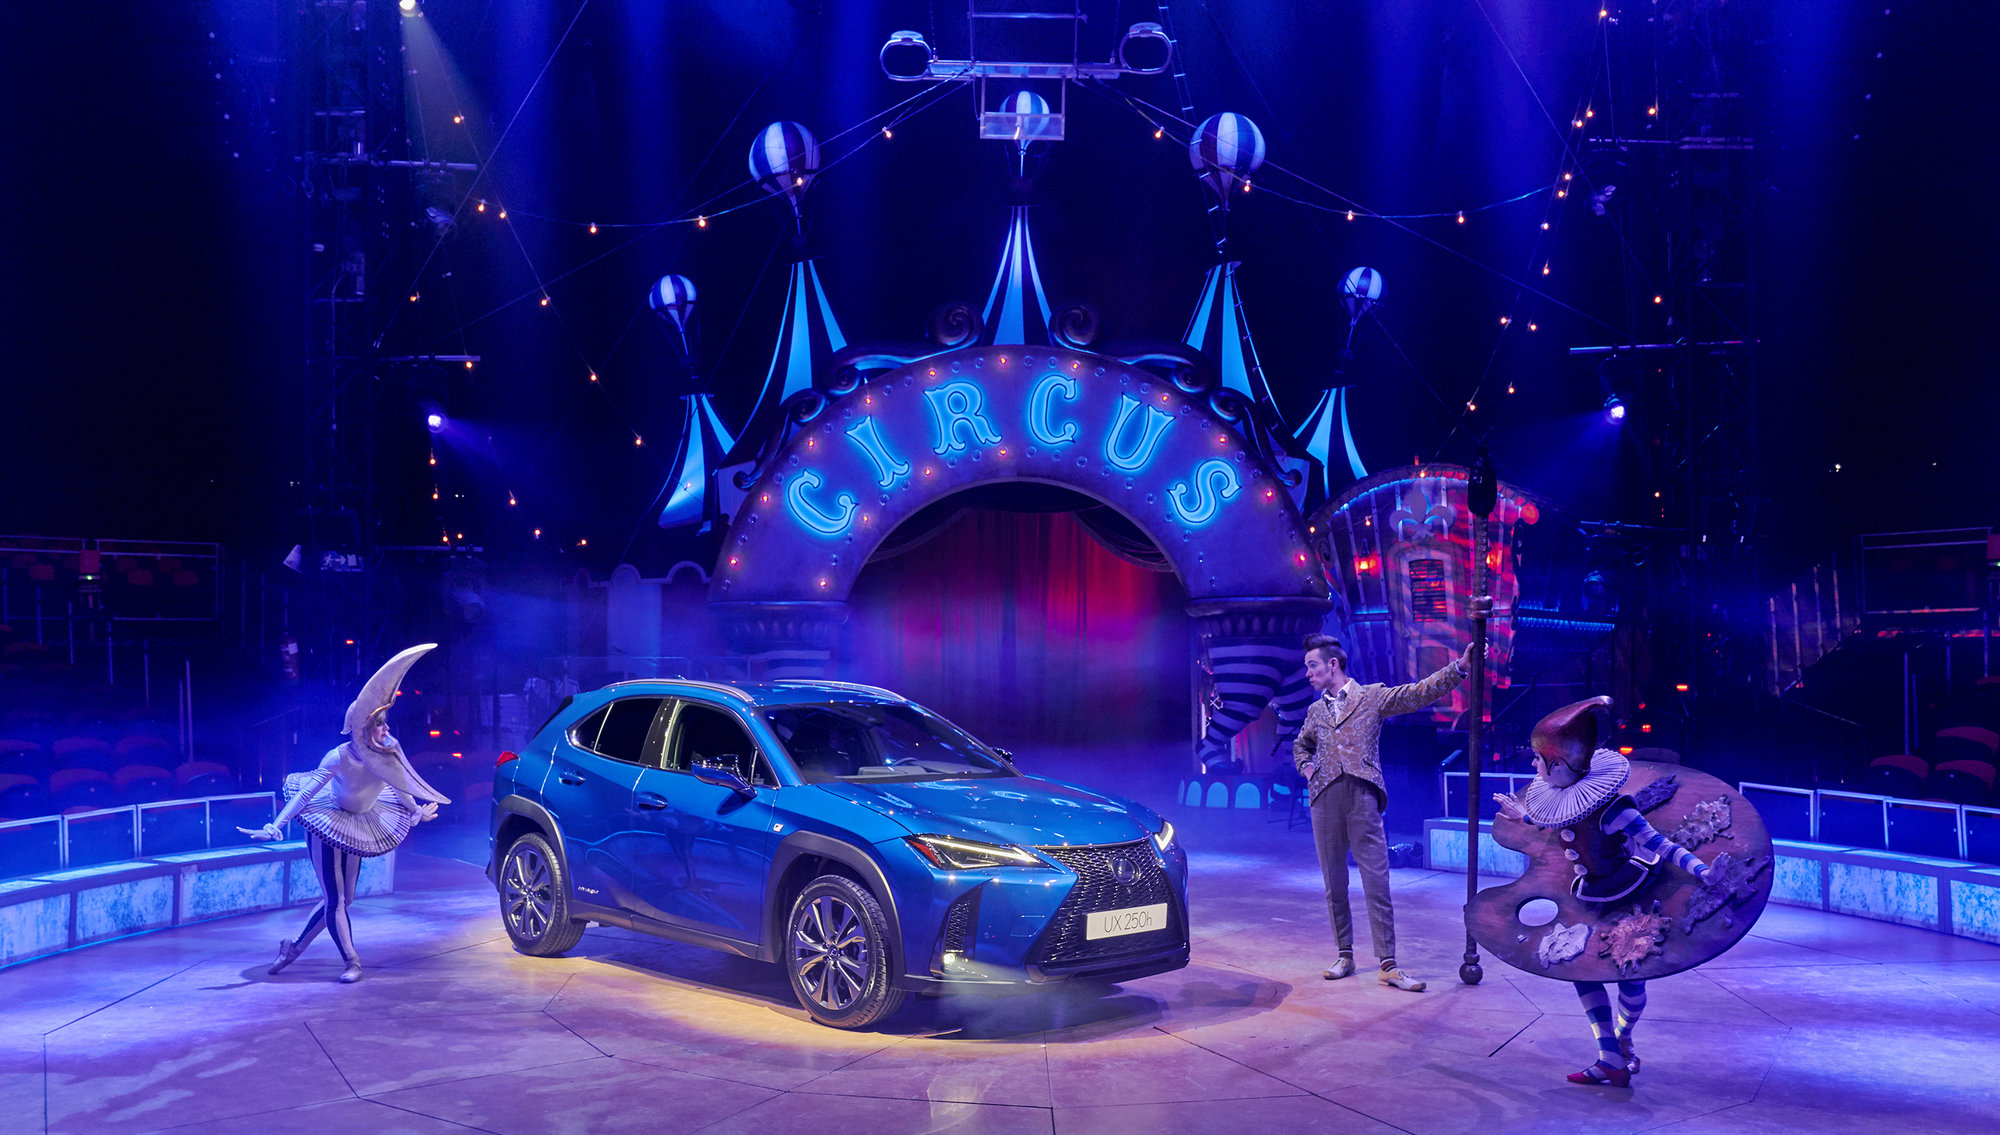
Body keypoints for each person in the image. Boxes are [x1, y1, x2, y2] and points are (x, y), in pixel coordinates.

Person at [1492, 696, 1712, 1086]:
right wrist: (1522, 817)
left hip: (1628, 892)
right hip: (1591, 894)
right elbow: (1555, 822)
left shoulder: (1616, 810)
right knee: (1581, 967)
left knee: (1630, 974)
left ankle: (1623, 1038)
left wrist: (1701, 870)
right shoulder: (1563, 801)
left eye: (1538, 759)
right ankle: (1609, 1055)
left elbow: (1660, 844)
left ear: (1558, 766)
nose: (1533, 765)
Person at [1293, 596, 1489, 992]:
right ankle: (1344, 954)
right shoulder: (1315, 712)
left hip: (1362, 797)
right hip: (1324, 799)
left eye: (1313, 665)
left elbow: (1417, 693)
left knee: (1376, 881)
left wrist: (1459, 668)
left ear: (1333, 664)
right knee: (1334, 883)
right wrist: (1308, 769)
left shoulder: (1371, 697)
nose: (1308, 673)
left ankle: (1388, 963)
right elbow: (1301, 746)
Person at [242, 644, 452, 983]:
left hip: (359, 822)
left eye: (386, 724)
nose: (386, 731)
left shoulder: (388, 753)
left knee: (344, 899)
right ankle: (352, 962)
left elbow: (399, 784)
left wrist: (416, 810)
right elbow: (306, 794)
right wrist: (275, 825)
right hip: (327, 821)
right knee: (336, 899)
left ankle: (293, 948)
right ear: (362, 728)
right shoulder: (338, 756)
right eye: (379, 725)